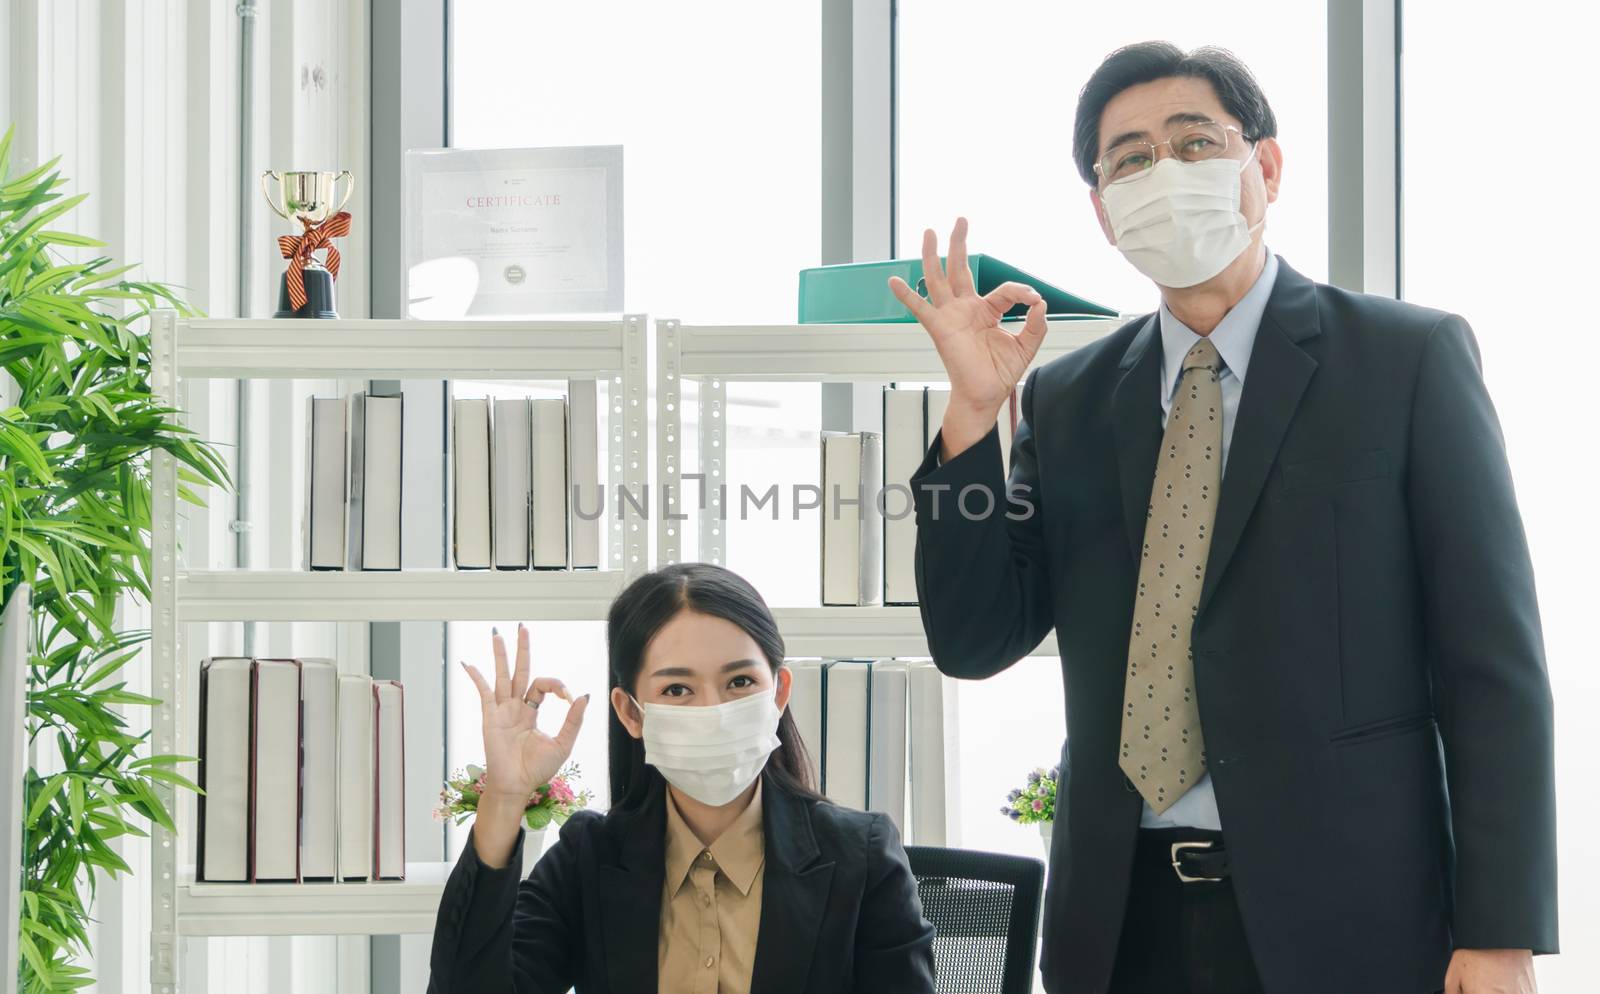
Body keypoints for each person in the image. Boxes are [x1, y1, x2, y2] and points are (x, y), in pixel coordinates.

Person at [893, 40, 1556, 994]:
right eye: (1128, 159)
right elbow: (974, 637)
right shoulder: (1069, 399)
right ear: (1104, 215)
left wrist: (1502, 931)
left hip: (1352, 919)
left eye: (1195, 142)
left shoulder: (1406, 361)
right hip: (1121, 928)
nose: (1163, 173)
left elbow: (1492, 667)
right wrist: (969, 419)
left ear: (1266, 168)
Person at [426, 562, 936, 994]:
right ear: (630, 713)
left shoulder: (861, 857)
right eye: (676, 690)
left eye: (740, 681)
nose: (713, 710)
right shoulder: (590, 857)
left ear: (778, 693)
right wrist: (506, 797)